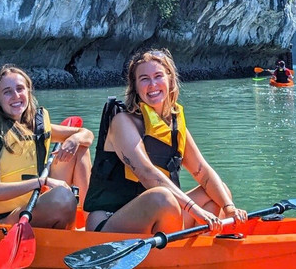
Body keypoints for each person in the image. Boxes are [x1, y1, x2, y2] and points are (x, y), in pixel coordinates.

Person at [82, 48, 247, 235]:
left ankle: (200, 246)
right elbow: (146, 173)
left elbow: (204, 173)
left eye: (158, 76)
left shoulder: (174, 125)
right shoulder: (122, 121)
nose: (152, 84)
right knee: (163, 198)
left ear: (170, 80)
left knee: (217, 192)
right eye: (144, 79)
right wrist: (193, 209)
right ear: (135, 86)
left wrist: (229, 207)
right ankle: (181, 251)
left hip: (162, 217)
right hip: (111, 221)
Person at [0, 65, 93, 229]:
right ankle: (67, 232)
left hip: (33, 202)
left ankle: (91, 222)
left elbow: (86, 134)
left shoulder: (35, 124)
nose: (16, 96)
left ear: (28, 91)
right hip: (3, 218)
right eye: (7, 91)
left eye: (20, 89)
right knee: (64, 197)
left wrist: (75, 139)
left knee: (79, 147)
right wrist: (42, 182)